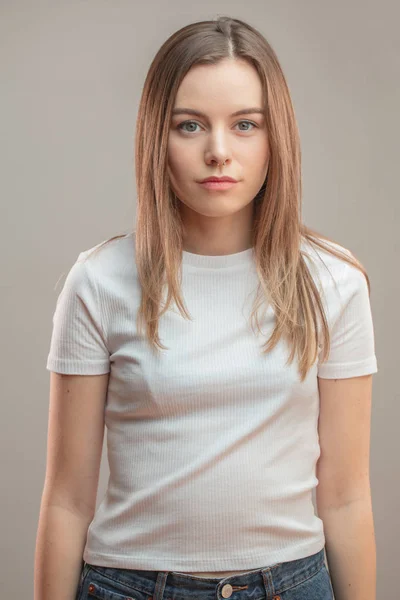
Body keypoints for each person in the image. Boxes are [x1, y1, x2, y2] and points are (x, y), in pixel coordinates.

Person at [35, 16, 378, 600]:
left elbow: (346, 495)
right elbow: (67, 498)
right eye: (189, 125)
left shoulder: (332, 282)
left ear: (277, 137)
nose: (219, 151)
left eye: (246, 125)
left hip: (291, 584)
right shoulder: (98, 282)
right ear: (155, 138)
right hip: (129, 586)